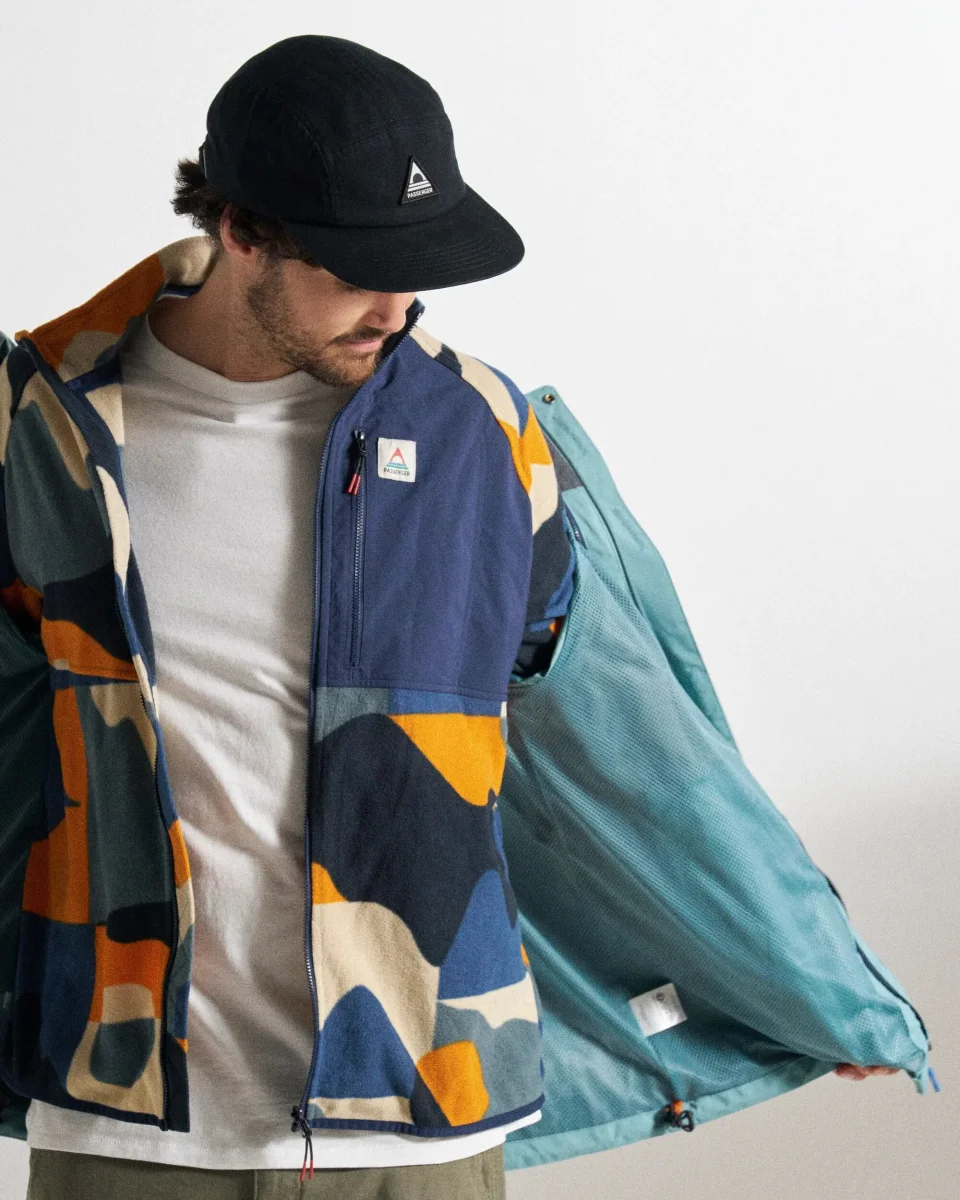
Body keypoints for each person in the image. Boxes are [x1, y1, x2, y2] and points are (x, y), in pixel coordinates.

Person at [0, 33, 898, 1200]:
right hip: (131, 1121)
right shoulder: (44, 433)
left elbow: (631, 751)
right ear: (241, 230)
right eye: (356, 269)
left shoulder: (487, 438)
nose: (396, 307)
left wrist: (813, 983)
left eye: (418, 268)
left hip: (421, 1118)